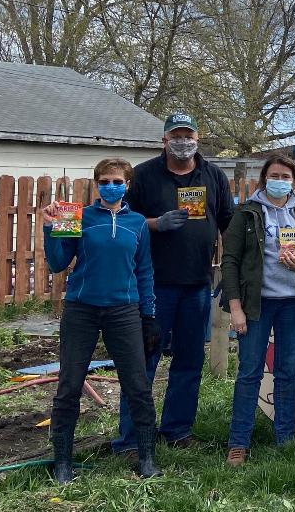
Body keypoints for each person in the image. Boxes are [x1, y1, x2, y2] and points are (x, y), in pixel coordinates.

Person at [113, 113, 234, 454]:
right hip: (153, 286)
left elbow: (228, 223)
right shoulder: (145, 176)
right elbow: (122, 220)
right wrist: (154, 224)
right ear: (164, 139)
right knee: (144, 362)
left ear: (198, 137)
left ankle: (177, 430)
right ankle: (132, 438)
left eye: (188, 135)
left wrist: (234, 272)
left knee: (189, 361)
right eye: (176, 135)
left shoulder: (212, 175)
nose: (183, 141)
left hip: (197, 284)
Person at [43, 158, 162, 483]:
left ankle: (147, 458)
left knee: (138, 385)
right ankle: (63, 462)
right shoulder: (78, 215)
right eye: (105, 181)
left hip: (124, 311)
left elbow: (144, 270)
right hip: (81, 308)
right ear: (97, 184)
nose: (112, 186)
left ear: (127, 185)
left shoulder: (137, 222)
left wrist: (148, 315)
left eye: (117, 181)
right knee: (68, 386)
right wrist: (50, 227)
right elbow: (57, 262)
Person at [221, 155, 295, 466]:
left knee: (288, 373)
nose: (280, 179)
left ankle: (285, 437)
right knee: (249, 373)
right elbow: (230, 262)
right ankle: (239, 441)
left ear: (294, 181)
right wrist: (236, 308)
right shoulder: (247, 213)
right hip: (256, 304)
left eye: (286, 175)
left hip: (293, 303)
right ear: (264, 178)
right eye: (274, 174)